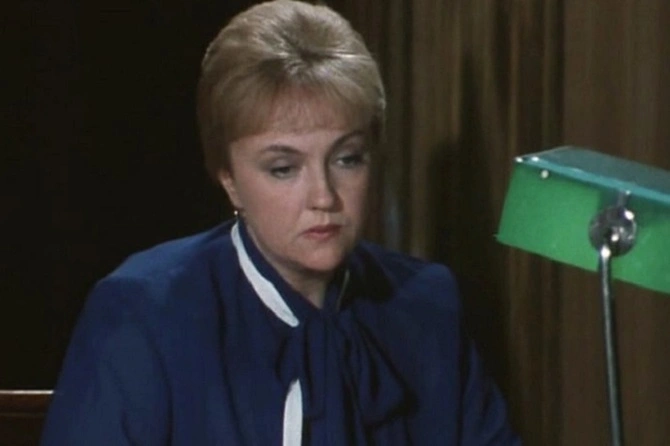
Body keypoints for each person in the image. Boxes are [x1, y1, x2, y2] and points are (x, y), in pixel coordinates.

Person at [41, 1, 521, 444]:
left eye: (347, 159)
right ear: (229, 179)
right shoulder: (145, 314)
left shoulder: (427, 307)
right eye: (283, 168)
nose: (323, 196)